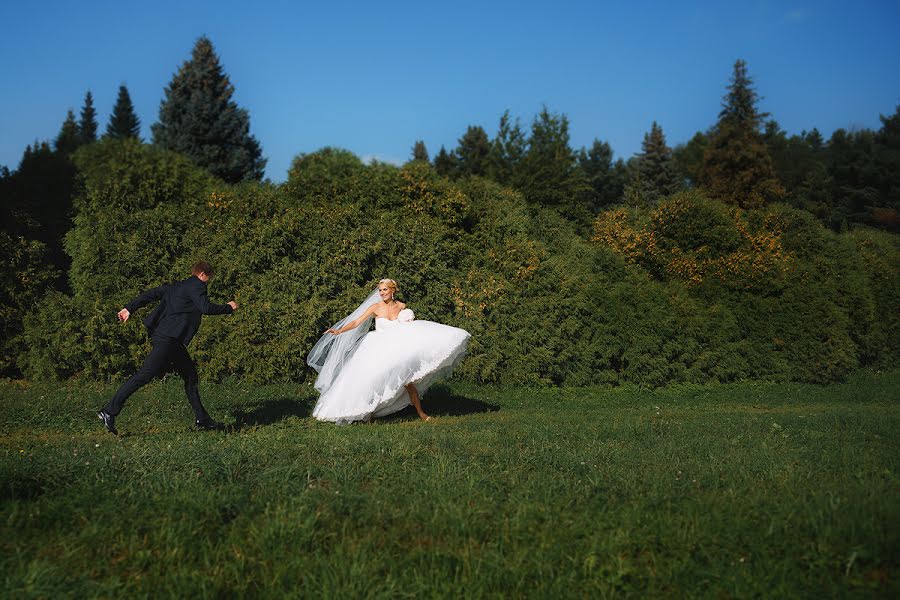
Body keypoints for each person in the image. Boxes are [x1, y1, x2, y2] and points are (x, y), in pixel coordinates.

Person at [96, 261, 238, 435]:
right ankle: (109, 411)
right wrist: (228, 308)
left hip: (171, 341)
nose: (207, 281)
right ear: (202, 274)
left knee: (190, 376)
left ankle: (202, 419)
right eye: (208, 278)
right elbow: (205, 308)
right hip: (168, 340)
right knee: (144, 375)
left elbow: (150, 294)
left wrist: (128, 308)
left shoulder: (177, 287)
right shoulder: (197, 285)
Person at [307, 279, 470, 424]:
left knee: (408, 382)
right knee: (372, 380)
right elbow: (357, 321)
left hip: (397, 348)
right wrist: (339, 331)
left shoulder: (402, 307)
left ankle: (422, 413)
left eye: (384, 290)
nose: (381, 293)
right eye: (380, 290)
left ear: (393, 290)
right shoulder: (375, 308)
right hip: (377, 347)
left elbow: (408, 330)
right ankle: (367, 414)